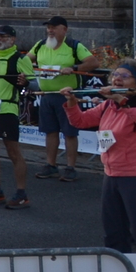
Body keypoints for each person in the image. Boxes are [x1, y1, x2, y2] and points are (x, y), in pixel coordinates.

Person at [62, 60, 136, 251]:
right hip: (111, 175)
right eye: (115, 75)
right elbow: (80, 121)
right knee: (114, 233)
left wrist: (122, 101)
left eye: (125, 76)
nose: (117, 79)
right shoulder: (108, 105)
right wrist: (72, 103)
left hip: (135, 176)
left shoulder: (133, 104)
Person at [30, 15, 99, 181]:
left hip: (67, 96)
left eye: (54, 27)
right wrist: (27, 66)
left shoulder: (73, 45)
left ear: (64, 29)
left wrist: (74, 67)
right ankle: (51, 165)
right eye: (48, 27)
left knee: (69, 133)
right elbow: (25, 61)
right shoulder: (41, 45)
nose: (50, 31)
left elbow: (93, 63)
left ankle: (70, 167)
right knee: (50, 132)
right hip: (46, 96)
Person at [0, 26, 34, 209]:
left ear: (12, 39)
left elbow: (33, 83)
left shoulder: (20, 59)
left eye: (2, 36)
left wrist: (26, 83)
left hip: (7, 109)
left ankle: (21, 194)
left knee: (13, 152)